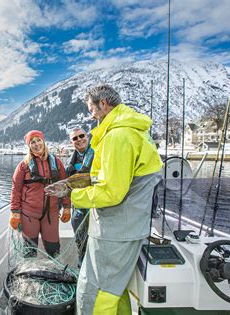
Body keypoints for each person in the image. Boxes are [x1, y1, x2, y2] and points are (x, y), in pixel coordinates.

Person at [70, 85, 163, 314]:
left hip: (115, 230)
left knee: (94, 291)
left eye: (92, 107)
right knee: (115, 289)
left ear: (103, 104)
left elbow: (112, 192)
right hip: (129, 225)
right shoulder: (134, 130)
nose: (91, 114)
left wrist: (73, 195)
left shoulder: (118, 136)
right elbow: (117, 179)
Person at [10, 130, 71, 258]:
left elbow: (65, 186)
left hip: (51, 213)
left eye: (38, 140)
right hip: (29, 214)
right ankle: (29, 274)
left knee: (53, 249)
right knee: (29, 250)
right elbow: (16, 189)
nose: (36, 144)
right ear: (29, 146)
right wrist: (15, 212)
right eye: (32, 142)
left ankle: (54, 272)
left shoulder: (57, 163)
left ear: (43, 141)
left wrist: (66, 208)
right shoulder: (23, 166)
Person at [66, 127, 94, 264]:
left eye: (81, 135)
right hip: (77, 207)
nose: (79, 139)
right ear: (71, 142)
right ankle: (82, 267)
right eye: (75, 138)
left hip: (93, 206)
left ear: (87, 136)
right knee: (80, 241)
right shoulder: (72, 159)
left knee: (93, 242)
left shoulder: (97, 153)